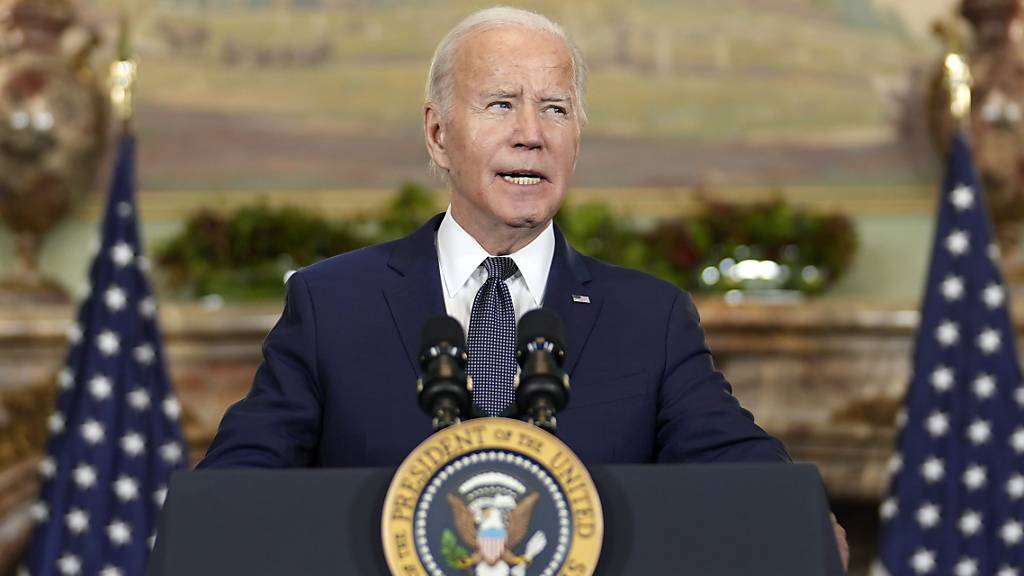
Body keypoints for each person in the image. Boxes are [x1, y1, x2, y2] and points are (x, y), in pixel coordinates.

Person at [198, 6, 848, 568]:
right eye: (501, 104)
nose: (531, 135)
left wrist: (800, 521)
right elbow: (231, 497)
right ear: (438, 134)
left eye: (555, 109)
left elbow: (741, 468)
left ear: (576, 140)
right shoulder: (333, 304)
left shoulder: (648, 318)